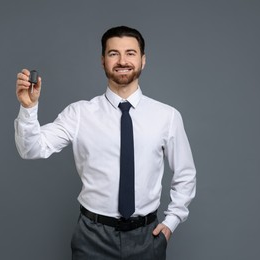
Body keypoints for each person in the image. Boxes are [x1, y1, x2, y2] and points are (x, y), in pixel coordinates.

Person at [14, 25, 196, 259]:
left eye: (130, 53)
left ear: (143, 60)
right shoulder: (79, 113)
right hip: (92, 238)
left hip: (147, 237)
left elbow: (186, 174)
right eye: (113, 53)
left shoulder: (167, 116)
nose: (122, 60)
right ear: (103, 61)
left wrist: (171, 222)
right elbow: (31, 149)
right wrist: (28, 108)